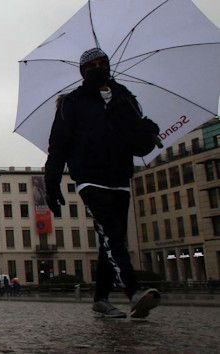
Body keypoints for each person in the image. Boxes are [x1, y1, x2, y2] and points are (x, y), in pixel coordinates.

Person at [45, 48, 161, 319]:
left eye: (102, 64)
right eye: (91, 66)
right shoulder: (71, 103)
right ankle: (134, 291)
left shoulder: (126, 99)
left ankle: (101, 299)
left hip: (120, 177)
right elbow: (58, 146)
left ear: (109, 66)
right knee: (113, 235)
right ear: (82, 72)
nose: (97, 69)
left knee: (110, 240)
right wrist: (52, 184)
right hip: (89, 177)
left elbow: (139, 147)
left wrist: (148, 132)